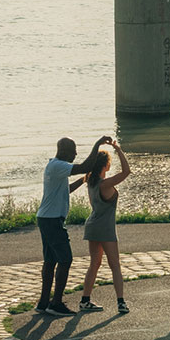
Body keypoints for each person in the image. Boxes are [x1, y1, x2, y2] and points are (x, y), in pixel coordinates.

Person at [35, 134, 108, 317]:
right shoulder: (59, 165)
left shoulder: (54, 166)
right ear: (64, 151)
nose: (75, 154)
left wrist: (82, 180)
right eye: (73, 151)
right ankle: (56, 303)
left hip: (46, 218)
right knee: (65, 260)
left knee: (50, 260)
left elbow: (64, 191)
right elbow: (85, 166)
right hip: (52, 220)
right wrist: (97, 144)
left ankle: (43, 303)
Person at [79, 139, 132, 314]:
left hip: (92, 225)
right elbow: (126, 171)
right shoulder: (105, 184)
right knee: (115, 265)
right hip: (105, 228)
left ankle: (85, 300)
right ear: (106, 165)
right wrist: (119, 149)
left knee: (94, 264)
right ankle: (121, 302)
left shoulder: (90, 182)